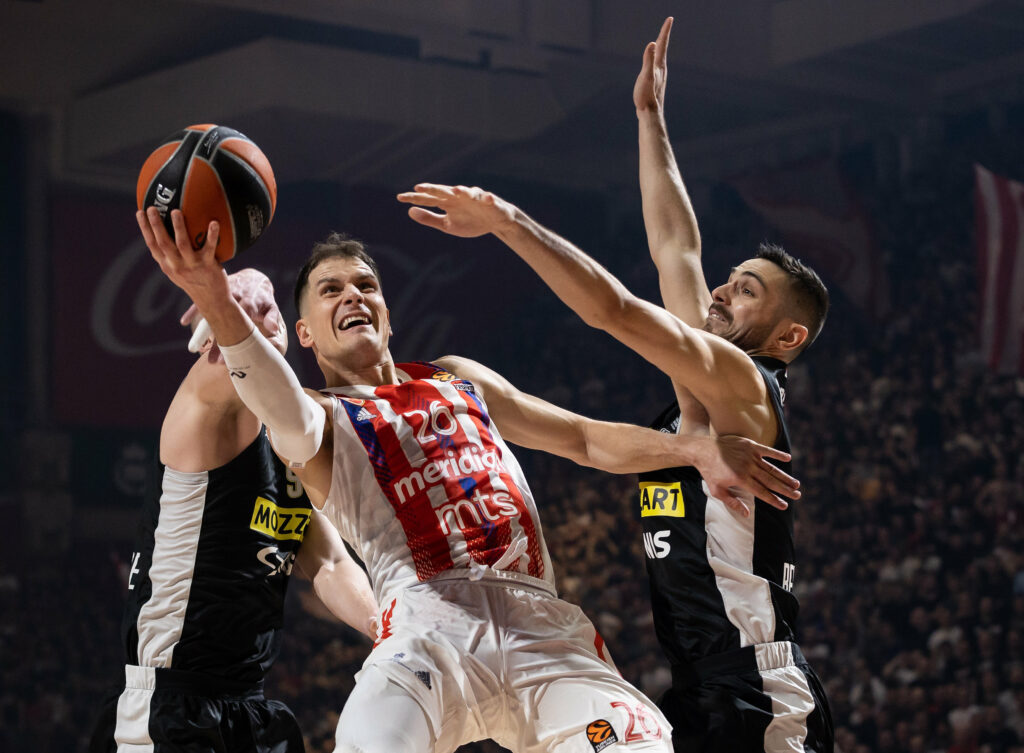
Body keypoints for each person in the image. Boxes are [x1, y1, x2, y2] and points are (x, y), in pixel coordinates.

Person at [137, 204, 805, 753]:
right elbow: (270, 393)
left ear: (389, 313)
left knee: (643, 747)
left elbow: (581, 437)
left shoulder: (460, 376)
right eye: (331, 289)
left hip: (544, 627)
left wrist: (691, 451)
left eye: (366, 284)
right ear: (305, 332)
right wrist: (217, 300)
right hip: (426, 627)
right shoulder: (317, 414)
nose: (354, 295)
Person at [395, 22, 834, 752]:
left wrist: (507, 222)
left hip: (757, 688)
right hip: (702, 684)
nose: (723, 291)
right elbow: (676, 247)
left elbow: (614, 311)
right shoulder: (697, 407)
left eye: (748, 291)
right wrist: (650, 120)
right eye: (731, 279)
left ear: (787, 337)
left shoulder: (744, 386)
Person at [89, 268, 378, 753]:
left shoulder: (296, 448)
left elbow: (329, 564)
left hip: (251, 709)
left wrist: (381, 628)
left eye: (273, 316)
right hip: (171, 703)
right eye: (252, 318)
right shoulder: (210, 399)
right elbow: (242, 350)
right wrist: (249, 284)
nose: (266, 322)